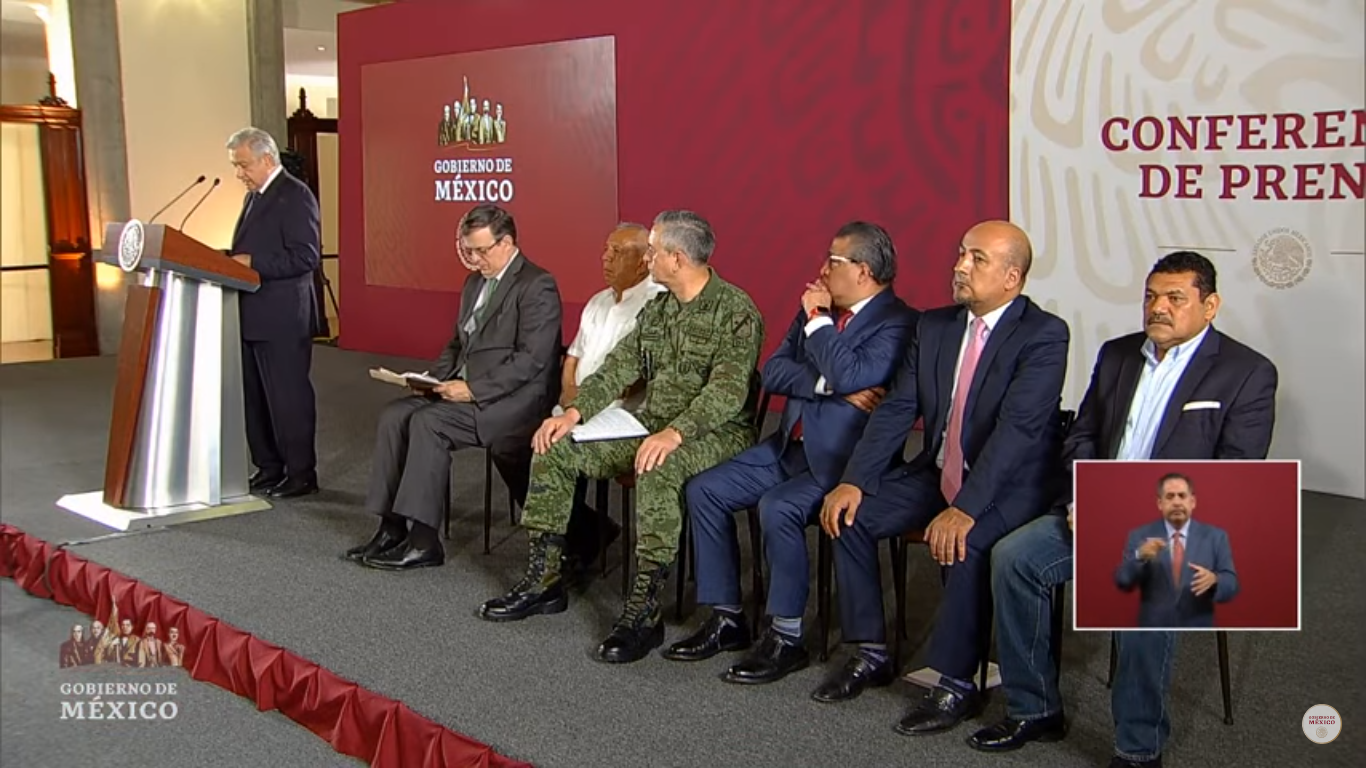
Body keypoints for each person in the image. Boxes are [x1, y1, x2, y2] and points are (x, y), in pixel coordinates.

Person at [969, 251, 1277, 767]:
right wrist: (1082, 498)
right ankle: (1034, 708)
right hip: (1094, 508)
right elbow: (1083, 436)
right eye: (1151, 296)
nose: (1159, 308)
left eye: (1175, 298)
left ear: (1210, 306)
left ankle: (1137, 748)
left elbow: (1235, 474)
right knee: (1013, 558)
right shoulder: (1117, 355)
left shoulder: (1246, 373)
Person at [814, 221, 1069, 736]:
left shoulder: (1043, 334)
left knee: (964, 542)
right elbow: (897, 409)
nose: (959, 266)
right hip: (938, 470)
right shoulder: (934, 327)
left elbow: (1017, 432)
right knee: (849, 517)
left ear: (1012, 277)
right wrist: (855, 479)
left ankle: (957, 682)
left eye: (976, 259)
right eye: (960, 254)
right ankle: (869, 651)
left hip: (1007, 484)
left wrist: (966, 508)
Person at [477, 210, 764, 666]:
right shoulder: (659, 309)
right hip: (653, 425)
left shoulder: (735, 311)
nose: (646, 258)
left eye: (652, 251)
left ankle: (644, 610)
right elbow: (618, 368)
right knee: (554, 448)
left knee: (658, 466)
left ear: (677, 258)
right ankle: (545, 581)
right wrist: (574, 413)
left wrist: (675, 433)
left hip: (716, 432)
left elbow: (727, 395)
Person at [666, 221, 918, 684]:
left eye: (832, 261)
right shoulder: (817, 309)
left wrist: (822, 329)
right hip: (788, 447)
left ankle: (786, 637)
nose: (821, 270)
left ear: (863, 271)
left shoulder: (898, 322)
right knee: (705, 489)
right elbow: (775, 370)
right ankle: (727, 616)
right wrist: (828, 385)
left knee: (777, 507)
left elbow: (852, 371)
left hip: (842, 461)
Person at [344, 204, 562, 571]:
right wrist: (431, 380)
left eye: (481, 251)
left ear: (507, 243)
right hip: (463, 391)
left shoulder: (537, 284)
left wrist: (473, 389)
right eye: (469, 251)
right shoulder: (475, 282)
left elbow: (532, 360)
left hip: (510, 401)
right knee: (394, 416)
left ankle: (424, 541)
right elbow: (457, 343)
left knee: (428, 423)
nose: (474, 259)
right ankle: (391, 527)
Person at [558, 223, 665, 575]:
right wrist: (570, 395)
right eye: (606, 249)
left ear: (643, 261)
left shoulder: (656, 304)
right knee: (526, 439)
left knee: (558, 447)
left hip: (621, 415)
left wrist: (585, 405)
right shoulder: (598, 301)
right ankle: (578, 534)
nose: (605, 258)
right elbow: (572, 356)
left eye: (617, 253)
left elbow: (634, 380)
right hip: (577, 407)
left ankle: (573, 548)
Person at [226, 127, 322, 499]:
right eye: (236, 166)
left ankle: (300, 473)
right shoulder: (254, 197)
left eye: (243, 165)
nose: (239, 173)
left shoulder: (295, 195)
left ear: (267, 159)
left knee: (287, 399)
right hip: (251, 315)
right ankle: (269, 467)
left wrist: (253, 262)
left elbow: (306, 256)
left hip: (283, 318)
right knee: (257, 401)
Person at [1117, 473, 1238, 629]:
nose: (1176, 502)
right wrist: (1139, 556)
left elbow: (1231, 585)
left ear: (1192, 502)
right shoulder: (1139, 536)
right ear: (1160, 503)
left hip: (1198, 631)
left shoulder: (1216, 537)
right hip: (1154, 630)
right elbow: (1123, 581)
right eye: (1170, 496)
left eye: (1182, 496)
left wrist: (1215, 580)